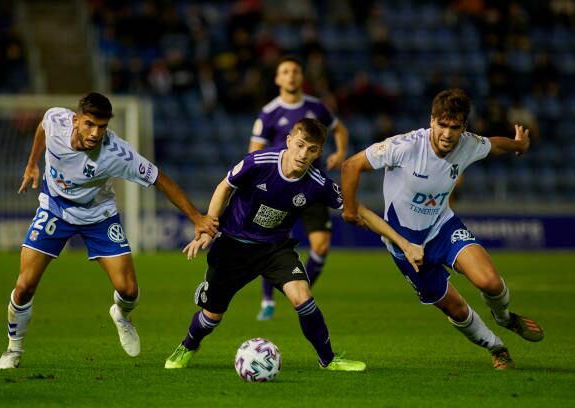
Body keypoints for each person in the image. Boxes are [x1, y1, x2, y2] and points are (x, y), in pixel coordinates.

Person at [163, 118, 422, 371]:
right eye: (299, 145)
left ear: (319, 152)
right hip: (233, 245)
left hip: (275, 249)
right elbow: (224, 187)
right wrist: (209, 227)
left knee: (303, 297)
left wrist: (403, 242)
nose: (303, 153)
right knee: (212, 316)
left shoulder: (318, 183)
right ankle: (187, 346)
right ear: (288, 141)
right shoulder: (259, 162)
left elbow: (359, 210)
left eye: (311, 149)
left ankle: (328, 359)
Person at [0, 92, 218, 369]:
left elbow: (160, 178)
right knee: (25, 285)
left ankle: (121, 315)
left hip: (98, 215)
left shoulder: (117, 153)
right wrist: (32, 164)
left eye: (102, 127)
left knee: (129, 290)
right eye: (89, 124)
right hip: (54, 208)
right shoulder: (56, 119)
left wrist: (196, 217)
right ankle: (13, 350)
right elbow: (42, 126)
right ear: (75, 120)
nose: (95, 133)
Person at [340, 88, 544, 370]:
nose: (448, 134)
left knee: (490, 283)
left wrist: (518, 145)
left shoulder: (468, 144)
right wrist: (350, 210)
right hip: (405, 245)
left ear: (464, 127)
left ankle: (505, 317)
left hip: (442, 227)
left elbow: (494, 145)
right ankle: (496, 347)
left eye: (455, 127)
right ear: (432, 121)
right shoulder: (405, 146)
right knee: (456, 309)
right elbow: (351, 165)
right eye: (442, 125)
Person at [249, 55, 349, 320]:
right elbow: (254, 152)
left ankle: (300, 293)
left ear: (301, 77)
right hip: (279, 190)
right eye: (285, 71)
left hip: (313, 188)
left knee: (322, 246)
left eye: (295, 71)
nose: (291, 75)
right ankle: (267, 301)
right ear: (278, 79)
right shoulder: (269, 113)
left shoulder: (318, 108)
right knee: (272, 245)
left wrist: (340, 152)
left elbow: (340, 130)